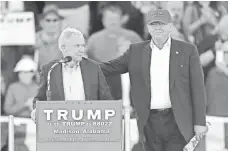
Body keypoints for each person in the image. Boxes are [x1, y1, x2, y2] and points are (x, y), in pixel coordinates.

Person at [100, 9, 207, 151]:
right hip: (149, 121)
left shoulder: (188, 50)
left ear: (170, 26)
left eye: (161, 24)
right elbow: (109, 67)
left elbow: (198, 88)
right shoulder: (135, 51)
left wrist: (200, 122)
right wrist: (77, 63)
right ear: (147, 28)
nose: (157, 28)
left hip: (177, 119)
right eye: (153, 24)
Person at [31, 27, 113, 121]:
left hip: (88, 126)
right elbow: (40, 98)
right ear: (63, 47)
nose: (81, 50)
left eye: (83, 46)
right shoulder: (49, 69)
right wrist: (36, 110)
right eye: (77, 46)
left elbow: (106, 98)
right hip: (59, 126)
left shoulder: (93, 68)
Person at [87, 3, 142, 101]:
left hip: (129, 85)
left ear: (121, 20)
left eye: (115, 19)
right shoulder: (93, 40)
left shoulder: (133, 37)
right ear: (103, 20)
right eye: (109, 19)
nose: (112, 22)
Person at [3, 56, 38, 151]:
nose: (23, 75)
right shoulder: (13, 88)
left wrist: (36, 107)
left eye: (26, 72)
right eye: (21, 73)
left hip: (36, 128)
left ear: (32, 73)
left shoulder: (39, 88)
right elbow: (7, 109)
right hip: (17, 129)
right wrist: (24, 105)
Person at [34, 4, 63, 71]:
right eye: (48, 20)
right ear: (42, 22)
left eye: (55, 20)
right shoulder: (35, 38)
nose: (51, 24)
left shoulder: (67, 38)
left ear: (60, 22)